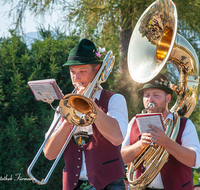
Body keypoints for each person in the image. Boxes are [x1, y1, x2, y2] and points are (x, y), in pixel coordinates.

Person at [44, 38, 128, 190]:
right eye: (72, 72)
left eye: (82, 71)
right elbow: (49, 153)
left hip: (109, 184)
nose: (76, 78)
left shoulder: (114, 100)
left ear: (97, 70)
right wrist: (69, 118)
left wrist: (90, 104)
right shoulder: (64, 106)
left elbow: (117, 138)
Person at [121, 73, 200, 190]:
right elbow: (121, 158)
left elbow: (195, 160)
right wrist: (140, 144)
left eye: (156, 95)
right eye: (146, 95)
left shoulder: (184, 124)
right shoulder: (134, 122)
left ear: (168, 98)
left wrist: (166, 142)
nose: (150, 99)